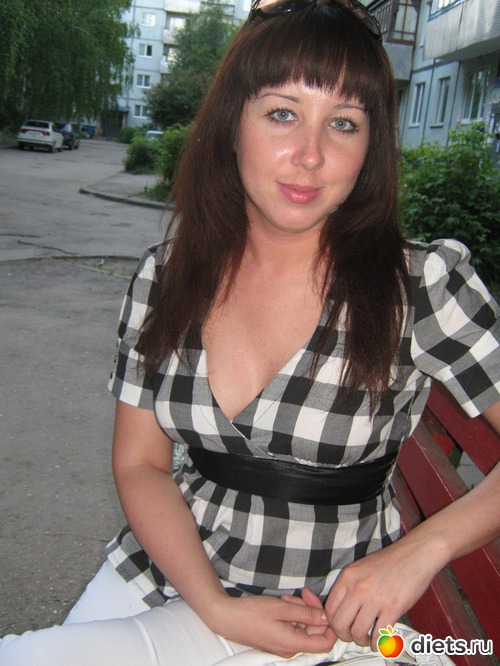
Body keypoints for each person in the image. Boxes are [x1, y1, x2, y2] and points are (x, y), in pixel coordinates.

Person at [1, 0, 499, 663]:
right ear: (233, 124)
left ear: (370, 148)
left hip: (323, 619)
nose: (311, 155)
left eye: (344, 123)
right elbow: (140, 463)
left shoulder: (419, 285)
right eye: (283, 113)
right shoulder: (168, 277)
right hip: (172, 575)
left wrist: (424, 547)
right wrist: (214, 604)